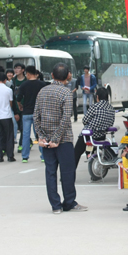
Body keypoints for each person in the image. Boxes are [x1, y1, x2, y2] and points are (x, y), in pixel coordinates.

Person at [34, 62, 87, 214]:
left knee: (50, 172)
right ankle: (69, 202)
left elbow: (36, 116)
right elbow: (65, 118)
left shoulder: (42, 91)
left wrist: (42, 136)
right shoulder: (66, 93)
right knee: (67, 172)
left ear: (52, 75)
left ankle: (55, 206)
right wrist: (57, 138)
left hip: (46, 141)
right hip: (63, 140)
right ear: (68, 76)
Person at [73, 87, 116, 168]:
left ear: (97, 97)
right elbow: (111, 123)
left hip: (89, 136)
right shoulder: (111, 108)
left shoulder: (95, 107)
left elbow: (85, 120)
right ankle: (89, 154)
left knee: (76, 153)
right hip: (102, 136)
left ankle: (71, 172)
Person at [17, 66, 48, 164]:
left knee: (25, 135)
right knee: (39, 135)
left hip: (26, 112)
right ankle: (43, 156)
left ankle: (25, 157)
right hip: (38, 113)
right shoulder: (42, 84)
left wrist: (20, 106)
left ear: (28, 74)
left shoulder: (24, 85)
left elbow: (18, 98)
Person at [0, 71, 16, 163]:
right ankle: (10, 156)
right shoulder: (8, 90)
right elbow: (11, 102)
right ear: (5, 80)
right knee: (9, 136)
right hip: (6, 115)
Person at [11, 63, 27, 150]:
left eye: (18, 68)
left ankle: (21, 144)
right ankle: (29, 141)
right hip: (15, 107)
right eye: (15, 68)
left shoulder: (27, 80)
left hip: (26, 106)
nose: (16, 70)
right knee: (18, 127)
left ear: (23, 70)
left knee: (23, 127)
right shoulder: (13, 81)